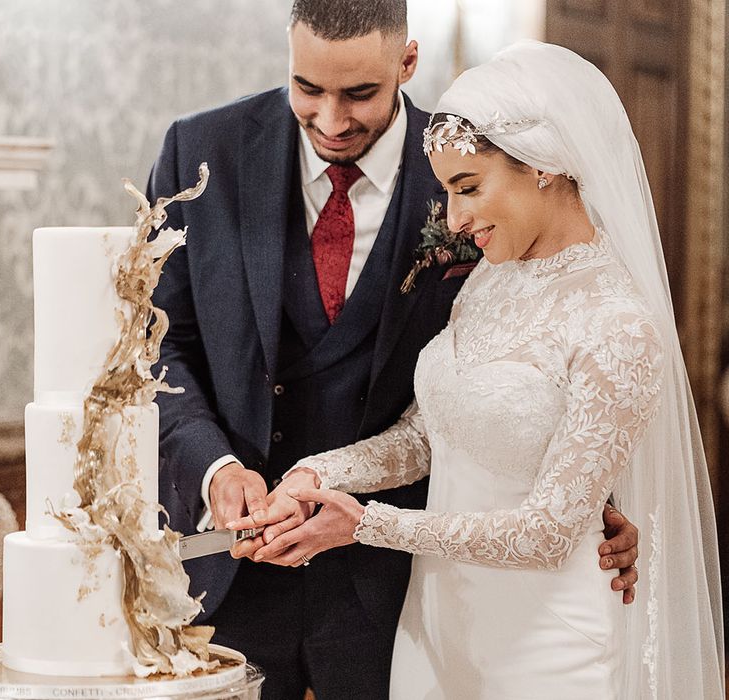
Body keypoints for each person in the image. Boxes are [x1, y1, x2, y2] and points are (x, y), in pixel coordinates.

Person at [148, 5, 640, 697]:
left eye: (358, 94)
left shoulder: (474, 164)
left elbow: (561, 364)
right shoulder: (201, 152)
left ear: (406, 63)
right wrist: (217, 467)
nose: (329, 120)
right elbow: (159, 341)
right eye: (306, 88)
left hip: (396, 590)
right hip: (230, 577)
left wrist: (595, 501)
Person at [236, 41, 726, 698]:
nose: (457, 220)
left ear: (546, 167)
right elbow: (427, 437)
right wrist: (317, 474)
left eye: (468, 188)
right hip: (435, 631)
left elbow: (549, 532)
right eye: (447, 191)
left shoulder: (618, 324)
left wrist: (368, 524)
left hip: (544, 648)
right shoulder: (491, 280)